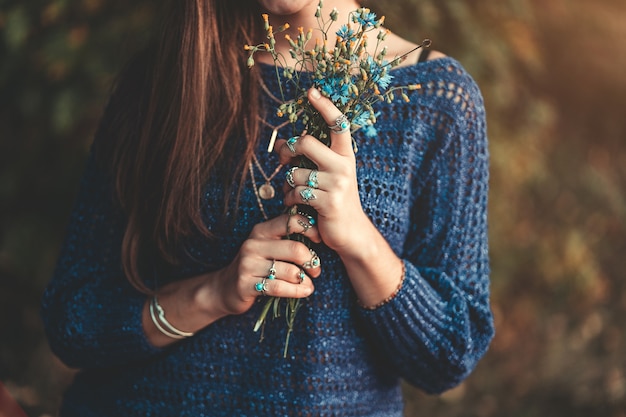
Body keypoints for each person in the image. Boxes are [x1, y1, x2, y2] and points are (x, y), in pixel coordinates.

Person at [41, 0, 495, 415]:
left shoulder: (436, 99)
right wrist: (212, 294)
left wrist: (360, 239)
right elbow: (73, 319)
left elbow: (450, 354)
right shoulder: (164, 77)